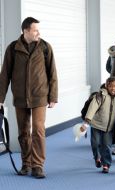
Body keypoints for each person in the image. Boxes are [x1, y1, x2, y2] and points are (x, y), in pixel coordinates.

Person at [0, 17, 58, 178]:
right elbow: (4, 75)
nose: (38, 32)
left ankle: (38, 165)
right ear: (25, 31)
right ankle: (26, 163)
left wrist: (53, 96)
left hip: (40, 95)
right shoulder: (13, 48)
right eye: (35, 30)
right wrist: (0, 98)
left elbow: (52, 73)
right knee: (23, 131)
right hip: (20, 96)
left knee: (38, 130)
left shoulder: (45, 47)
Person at [83, 76, 115, 174]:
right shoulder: (100, 96)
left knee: (107, 146)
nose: (113, 88)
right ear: (106, 86)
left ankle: (106, 165)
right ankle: (97, 157)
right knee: (95, 144)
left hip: (108, 128)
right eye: (110, 86)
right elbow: (92, 108)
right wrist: (87, 122)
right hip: (96, 125)